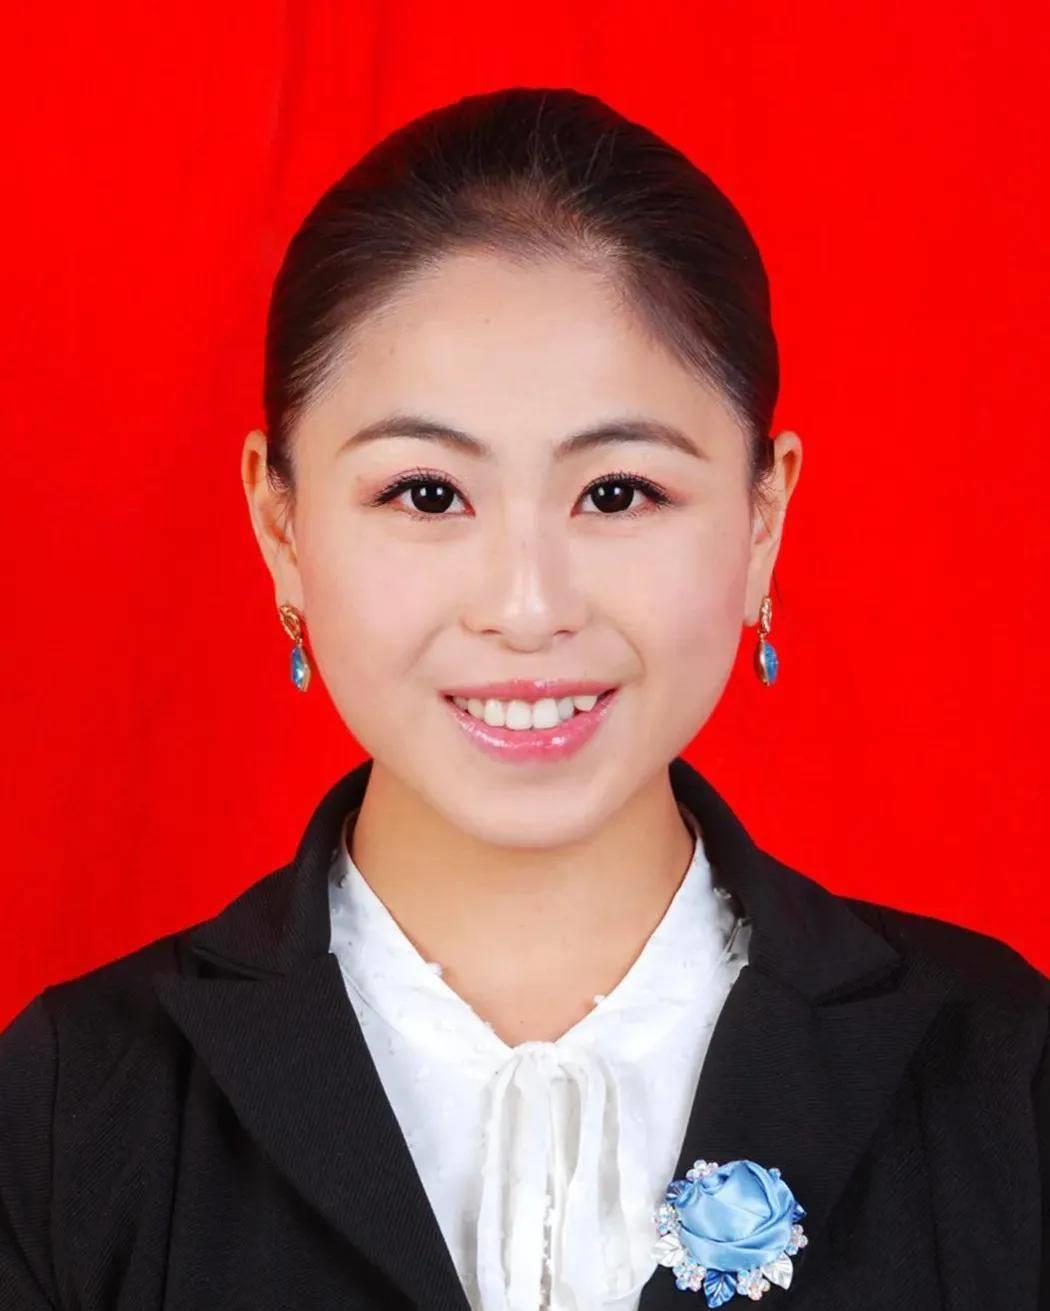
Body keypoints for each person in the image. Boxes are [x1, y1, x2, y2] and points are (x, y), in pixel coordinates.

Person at [1, 86, 1047, 1311]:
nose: (528, 606)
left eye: (618, 493)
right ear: (279, 525)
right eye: (427, 494)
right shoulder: (73, 1112)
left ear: (763, 518)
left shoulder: (1000, 1075)